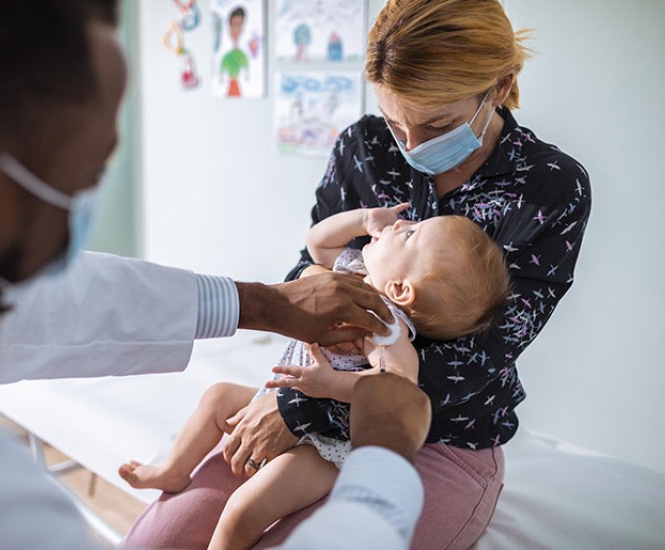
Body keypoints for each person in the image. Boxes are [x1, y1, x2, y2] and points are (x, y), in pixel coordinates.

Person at [0, 1, 433, 548]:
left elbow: (58, 304)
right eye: (85, 175)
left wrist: (263, 305)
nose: (84, 210)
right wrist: (382, 463)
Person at [122, 0, 593, 548]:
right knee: (162, 540)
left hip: (438, 433)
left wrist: (300, 407)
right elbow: (310, 271)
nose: (412, 147)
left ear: (500, 84)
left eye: (437, 125)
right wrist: (285, 376)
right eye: (398, 123)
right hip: (301, 393)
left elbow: (477, 358)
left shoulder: (548, 188)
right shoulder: (365, 147)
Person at [118, 204, 510, 549]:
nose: (399, 224)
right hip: (276, 398)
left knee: (243, 509)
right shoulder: (352, 270)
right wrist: (362, 219)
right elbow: (316, 244)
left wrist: (329, 386)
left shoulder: (386, 326)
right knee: (218, 396)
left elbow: (396, 385)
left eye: (409, 234)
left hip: (327, 444)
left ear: (400, 290)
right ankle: (173, 471)